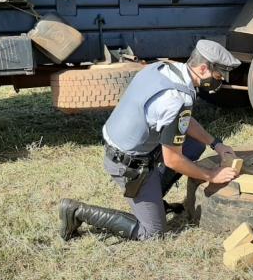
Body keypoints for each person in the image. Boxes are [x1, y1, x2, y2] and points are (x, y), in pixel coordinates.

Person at [58, 40, 242, 240]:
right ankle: (77, 211)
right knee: (153, 233)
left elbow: (183, 121)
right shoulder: (175, 99)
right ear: (203, 68)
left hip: (131, 146)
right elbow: (172, 160)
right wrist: (211, 175)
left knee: (195, 144)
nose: (220, 80)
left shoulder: (163, 68)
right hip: (127, 163)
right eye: (218, 75)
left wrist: (216, 144)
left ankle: (152, 197)